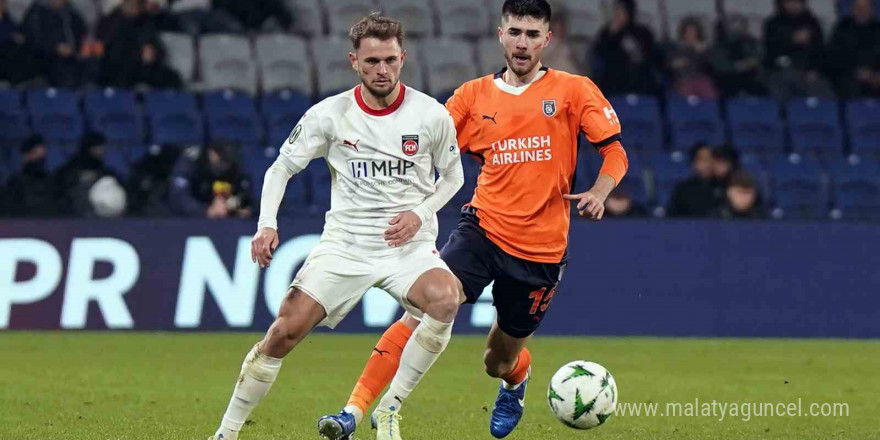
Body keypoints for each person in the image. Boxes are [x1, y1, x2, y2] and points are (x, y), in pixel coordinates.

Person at [319, 1, 629, 439]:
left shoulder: (574, 91)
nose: (523, 43)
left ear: (547, 40)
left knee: (497, 360)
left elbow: (615, 151)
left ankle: (515, 381)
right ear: (500, 34)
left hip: (540, 251)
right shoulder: (470, 97)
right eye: (515, 32)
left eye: (532, 34)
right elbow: (428, 155)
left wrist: (600, 190)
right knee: (422, 309)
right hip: (482, 230)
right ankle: (356, 410)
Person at [207, 13, 465, 440]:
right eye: (371, 62)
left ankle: (389, 408)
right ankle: (226, 432)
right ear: (353, 62)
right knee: (283, 332)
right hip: (345, 246)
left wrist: (419, 214)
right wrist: (266, 224)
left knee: (445, 299)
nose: (382, 70)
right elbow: (280, 168)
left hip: (408, 247)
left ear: (404, 58)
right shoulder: (330, 115)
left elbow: (453, 177)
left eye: (390, 60)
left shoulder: (431, 115)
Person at [763, 0, 835, 101]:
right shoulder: (773, 24)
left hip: (808, 73)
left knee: (824, 94)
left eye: (797, 2)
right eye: (789, 2)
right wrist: (791, 40)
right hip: (780, 72)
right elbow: (770, 53)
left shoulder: (812, 23)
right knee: (779, 86)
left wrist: (814, 69)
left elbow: (820, 51)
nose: (793, 5)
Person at [592, 0, 661, 95]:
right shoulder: (606, 33)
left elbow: (648, 54)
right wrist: (612, 35)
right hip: (614, 77)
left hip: (640, 76)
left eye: (621, 11)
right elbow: (600, 54)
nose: (617, 14)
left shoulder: (642, 32)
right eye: (616, 11)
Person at [168, 142, 252, 219]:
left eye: (227, 160)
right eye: (221, 157)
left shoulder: (237, 164)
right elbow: (178, 197)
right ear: (210, 151)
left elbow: (246, 195)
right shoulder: (191, 160)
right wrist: (206, 210)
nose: (224, 164)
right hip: (188, 220)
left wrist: (240, 207)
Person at [827, 0, 880, 97]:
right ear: (852, 9)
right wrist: (856, 72)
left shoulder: (877, 29)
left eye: (865, 7)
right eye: (858, 7)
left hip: (875, 76)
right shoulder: (842, 28)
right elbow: (833, 58)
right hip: (848, 77)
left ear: (872, 10)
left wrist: (875, 74)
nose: (862, 10)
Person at [1, 135, 57, 217]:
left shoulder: (52, 182)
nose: (38, 159)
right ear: (24, 156)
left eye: (42, 155)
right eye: (34, 153)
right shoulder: (16, 182)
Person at [666, 142, 724, 218]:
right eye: (702, 159)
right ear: (693, 163)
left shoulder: (723, 187)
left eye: (711, 158)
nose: (708, 163)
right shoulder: (682, 189)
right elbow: (671, 219)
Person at [667, 16, 719, 98]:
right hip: (684, 80)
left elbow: (712, 64)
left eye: (693, 32)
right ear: (683, 34)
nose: (691, 34)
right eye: (688, 32)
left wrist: (703, 52)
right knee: (685, 88)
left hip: (702, 79)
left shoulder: (704, 48)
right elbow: (672, 64)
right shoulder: (677, 49)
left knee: (707, 88)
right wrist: (678, 63)